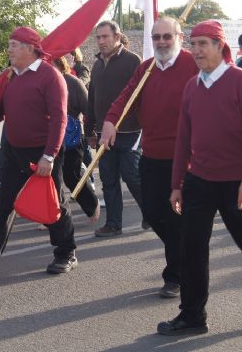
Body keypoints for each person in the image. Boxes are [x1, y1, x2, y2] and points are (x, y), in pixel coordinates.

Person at [159, 20, 242, 336]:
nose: (197, 50)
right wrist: (177, 183)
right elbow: (183, 139)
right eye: (194, 44)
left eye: (204, 43)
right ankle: (192, 315)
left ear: (220, 46)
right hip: (199, 179)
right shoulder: (192, 86)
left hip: (236, 182)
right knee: (192, 249)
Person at [0, 26, 77, 278]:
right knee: (3, 204)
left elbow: (59, 118)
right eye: (9, 44)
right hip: (14, 150)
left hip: (42, 151)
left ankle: (66, 253)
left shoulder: (50, 76)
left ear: (31, 48)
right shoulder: (10, 76)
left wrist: (49, 156)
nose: (9, 49)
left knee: (53, 204)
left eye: (14, 44)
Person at [100, 16, 198, 298]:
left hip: (185, 158)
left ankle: (175, 276)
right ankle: (185, 255)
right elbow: (126, 98)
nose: (162, 42)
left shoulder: (192, 65)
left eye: (168, 36)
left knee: (175, 217)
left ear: (180, 37)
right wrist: (110, 120)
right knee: (153, 214)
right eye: (157, 37)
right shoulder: (146, 69)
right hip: (152, 155)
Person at [85, 20, 145, 237]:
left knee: (132, 176)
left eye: (105, 37)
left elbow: (141, 97)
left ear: (117, 37)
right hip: (102, 134)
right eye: (98, 37)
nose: (101, 41)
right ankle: (113, 224)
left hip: (130, 132)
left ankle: (150, 212)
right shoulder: (97, 64)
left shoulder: (132, 61)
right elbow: (92, 100)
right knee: (109, 180)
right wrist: (89, 131)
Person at [53, 56, 100, 223]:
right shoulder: (42, 83)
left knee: (71, 176)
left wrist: (90, 133)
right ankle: (52, 216)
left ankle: (92, 204)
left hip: (71, 137)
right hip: (49, 138)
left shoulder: (73, 82)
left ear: (59, 64)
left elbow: (88, 109)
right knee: (52, 179)